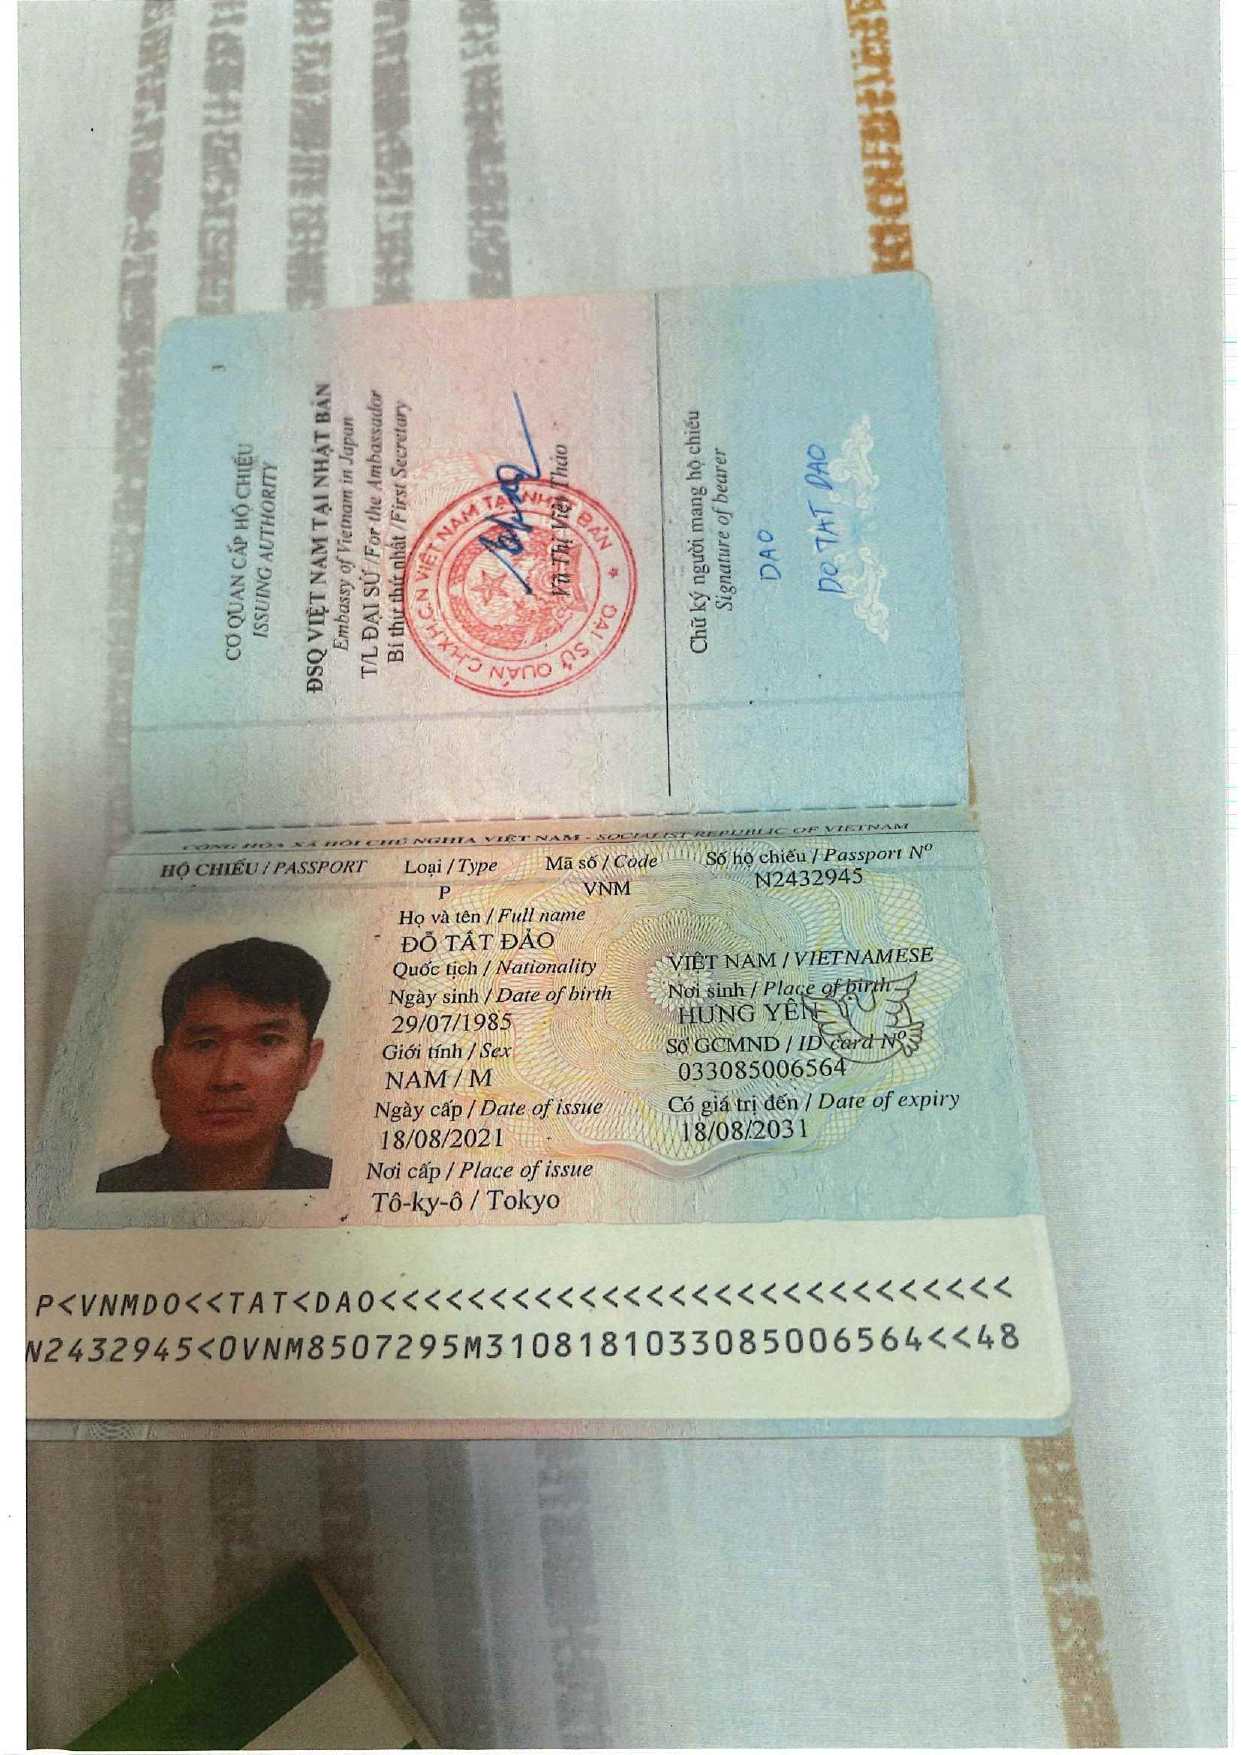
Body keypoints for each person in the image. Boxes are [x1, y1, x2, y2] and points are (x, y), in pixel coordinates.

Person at [97, 937, 332, 1193]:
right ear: (158, 1070)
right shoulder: (108, 1191)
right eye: (204, 1044)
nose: (226, 1078)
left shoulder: (338, 1187)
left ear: (309, 1063)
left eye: (266, 1041)